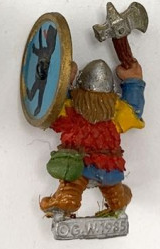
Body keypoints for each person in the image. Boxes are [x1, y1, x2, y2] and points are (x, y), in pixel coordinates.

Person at [40, 58, 145, 217]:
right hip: (109, 168)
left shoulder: (72, 111)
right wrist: (133, 80)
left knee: (72, 187)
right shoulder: (115, 115)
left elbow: (55, 110)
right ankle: (118, 201)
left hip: (78, 167)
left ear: (80, 89)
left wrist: (64, 81)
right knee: (113, 188)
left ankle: (67, 199)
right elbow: (133, 109)